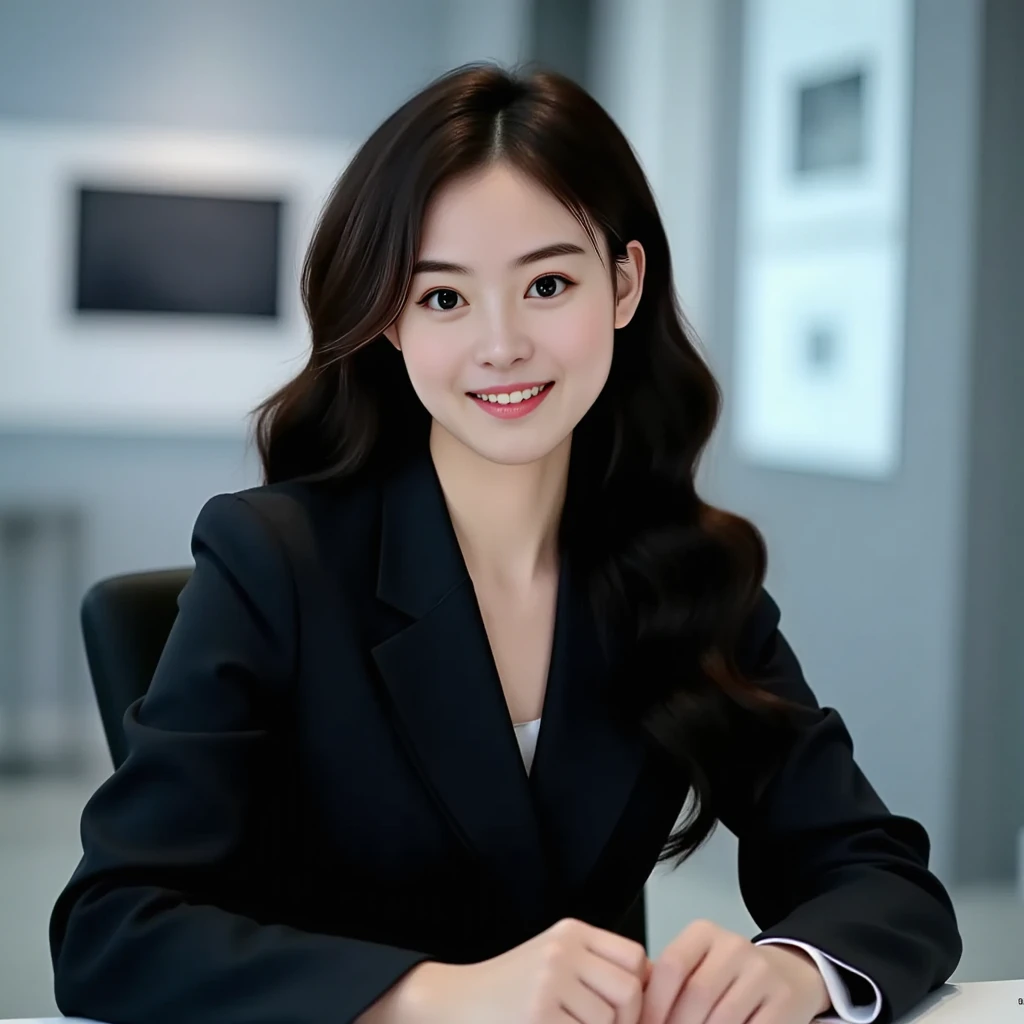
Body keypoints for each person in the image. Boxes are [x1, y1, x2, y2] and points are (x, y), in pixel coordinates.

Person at [49, 64, 960, 1024]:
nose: (502, 344)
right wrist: (439, 995)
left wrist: (794, 966)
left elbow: (878, 875)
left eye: (549, 283)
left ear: (623, 285)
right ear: (390, 321)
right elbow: (114, 927)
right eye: (444, 299)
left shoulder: (686, 571)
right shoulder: (273, 561)